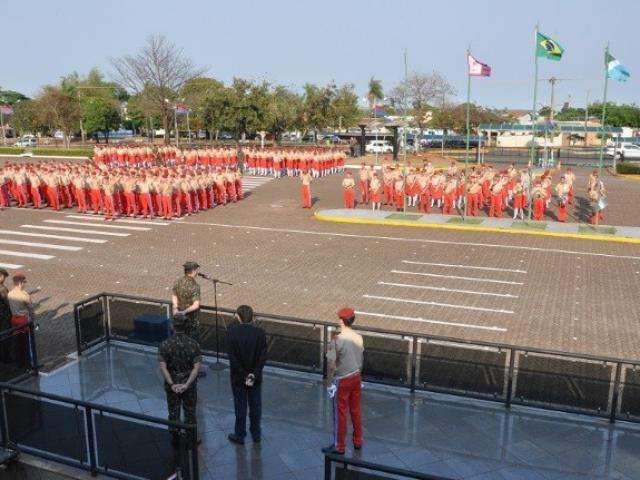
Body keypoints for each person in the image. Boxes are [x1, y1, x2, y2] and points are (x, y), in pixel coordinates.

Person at [322, 307, 364, 455]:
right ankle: (358, 441)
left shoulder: (336, 340)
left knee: (340, 413)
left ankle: (339, 445)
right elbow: (361, 359)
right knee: (356, 410)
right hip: (356, 377)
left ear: (341, 321)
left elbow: (331, 364)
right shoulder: (359, 337)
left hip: (342, 380)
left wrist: (329, 384)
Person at [158, 312, 202, 448]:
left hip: (172, 385)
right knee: (190, 412)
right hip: (189, 386)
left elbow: (163, 367)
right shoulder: (194, 345)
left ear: (173, 326)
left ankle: (175, 439)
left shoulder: (165, 344)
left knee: (173, 411)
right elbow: (196, 369)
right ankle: (191, 440)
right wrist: (187, 384)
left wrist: (172, 384)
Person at [226, 305, 268, 445]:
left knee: (240, 406)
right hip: (255, 378)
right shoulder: (260, 333)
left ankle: (240, 435)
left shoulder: (232, 332)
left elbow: (233, 358)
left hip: (238, 378)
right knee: (255, 406)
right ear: (252, 317)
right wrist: (253, 375)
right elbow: (263, 357)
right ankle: (256, 434)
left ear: (238, 317)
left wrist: (244, 375)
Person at [172, 261, 205, 377]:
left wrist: (176, 309)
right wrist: (185, 312)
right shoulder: (194, 286)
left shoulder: (178, 281)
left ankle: (181, 366)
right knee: (194, 346)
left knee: (181, 343)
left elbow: (174, 296)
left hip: (179, 319)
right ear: (194, 271)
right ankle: (195, 370)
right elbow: (196, 305)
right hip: (192, 321)